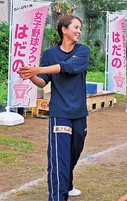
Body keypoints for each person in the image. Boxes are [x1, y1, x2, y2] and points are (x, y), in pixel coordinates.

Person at [18, 15, 90, 200]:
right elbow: (43, 82)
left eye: (80, 28)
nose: (79, 31)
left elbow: (70, 67)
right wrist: (30, 74)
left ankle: (68, 183)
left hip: (79, 113)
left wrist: (38, 69)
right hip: (59, 113)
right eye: (76, 27)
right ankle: (57, 196)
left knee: (73, 154)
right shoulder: (50, 54)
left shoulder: (83, 51)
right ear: (64, 29)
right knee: (59, 159)